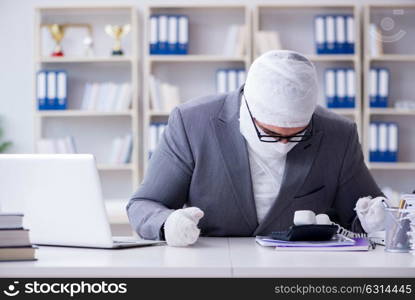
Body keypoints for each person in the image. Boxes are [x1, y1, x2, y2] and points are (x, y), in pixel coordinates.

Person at [127, 50, 384, 247]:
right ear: (247, 109)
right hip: (210, 264)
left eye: (296, 135)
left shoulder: (338, 134)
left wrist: (375, 221)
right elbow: (144, 203)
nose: (283, 144)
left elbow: (362, 214)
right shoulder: (191, 122)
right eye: (271, 133)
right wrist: (167, 224)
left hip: (303, 271)